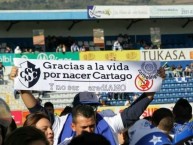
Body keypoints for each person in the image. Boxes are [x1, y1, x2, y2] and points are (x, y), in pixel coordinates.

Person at [9, 66, 166, 145]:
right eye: (84, 127)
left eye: (92, 126)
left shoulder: (108, 122)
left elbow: (133, 113)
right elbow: (36, 108)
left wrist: (152, 86)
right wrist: (21, 84)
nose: (89, 131)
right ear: (73, 124)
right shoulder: (59, 124)